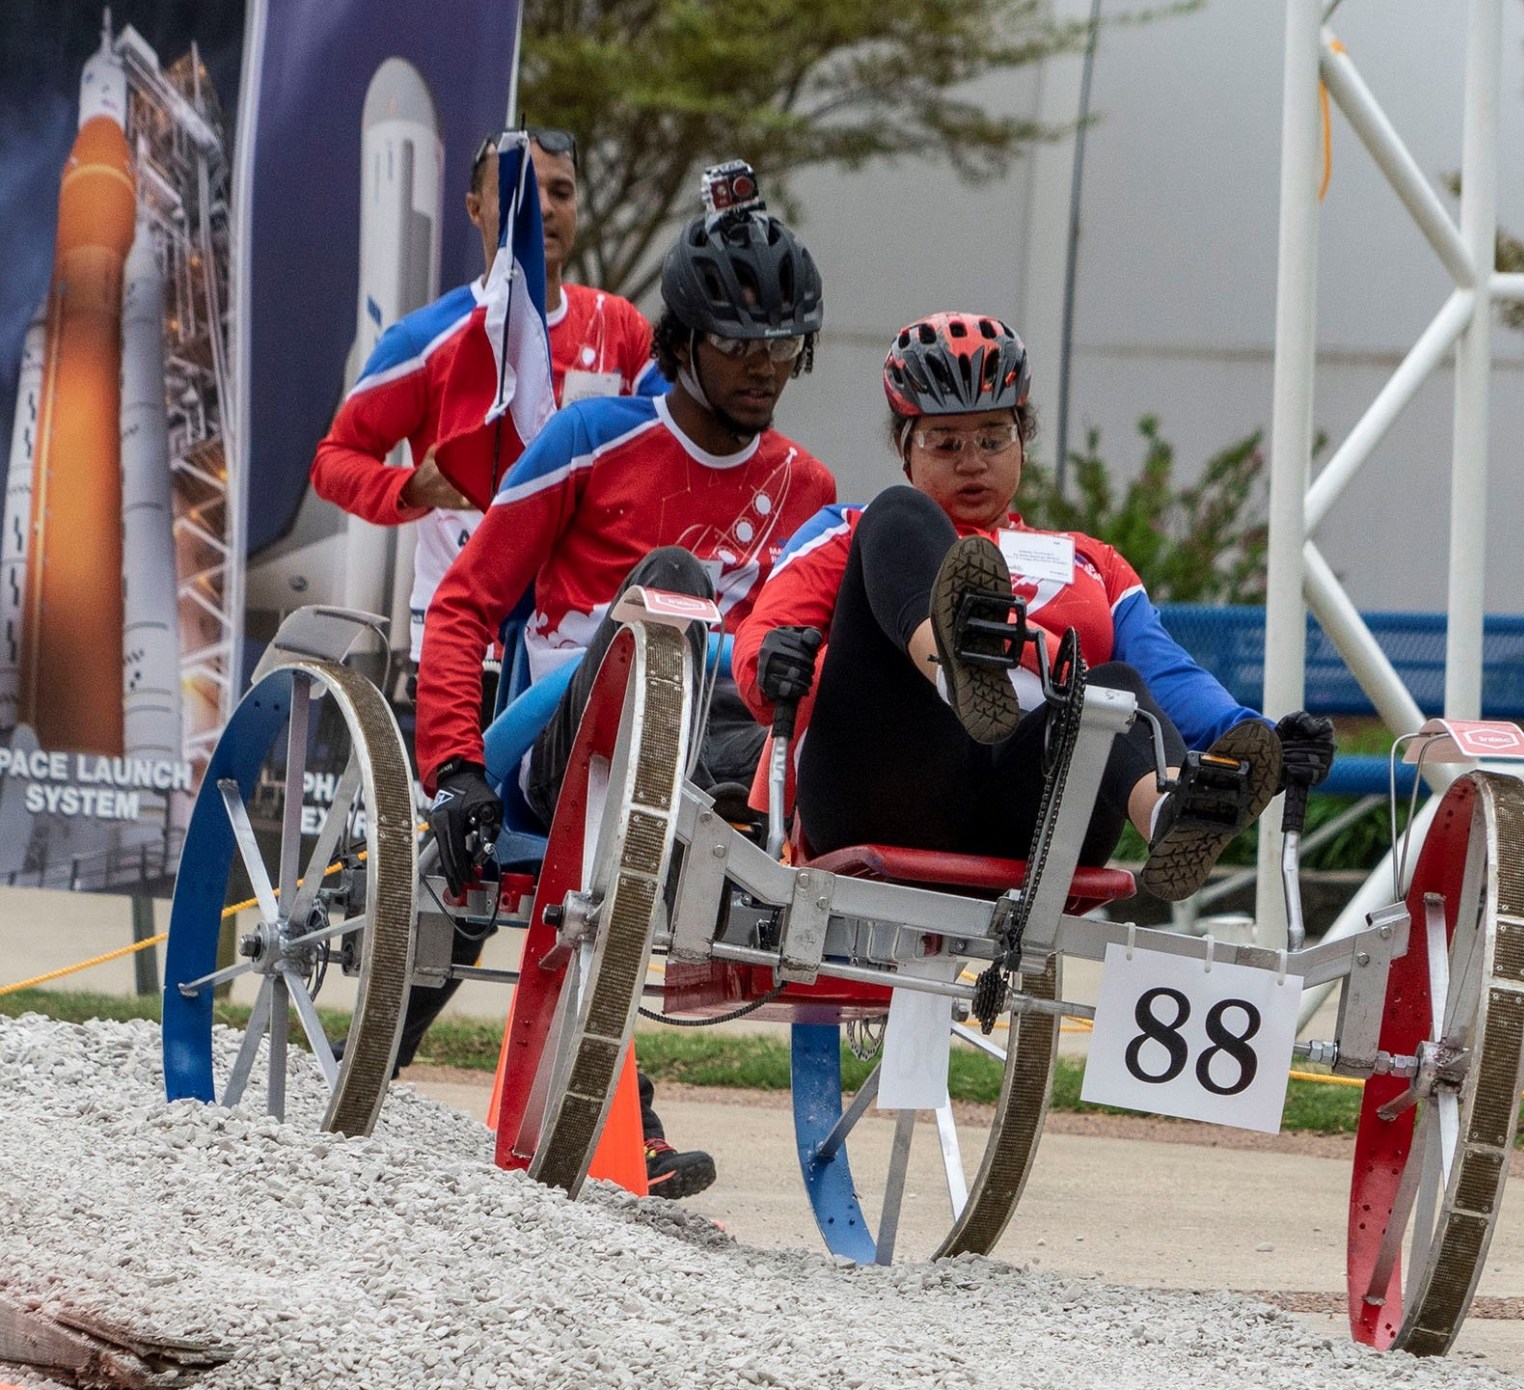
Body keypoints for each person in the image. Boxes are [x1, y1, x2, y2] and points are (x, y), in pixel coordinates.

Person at [414, 172, 834, 1198]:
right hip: (564, 747)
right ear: (681, 339)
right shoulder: (588, 441)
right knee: (672, 595)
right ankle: (382, 1075)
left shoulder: (806, 488)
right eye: (740, 344)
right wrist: (454, 768)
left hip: (721, 752)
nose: (764, 369)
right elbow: (464, 606)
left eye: (783, 347)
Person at [733, 313, 1335, 900]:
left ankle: (1173, 816)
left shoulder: (1090, 561)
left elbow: (1169, 677)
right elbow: (762, 647)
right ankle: (954, 662)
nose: (972, 461)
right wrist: (771, 662)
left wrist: (1261, 740)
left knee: (1113, 688)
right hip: (895, 784)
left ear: (1024, 442)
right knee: (898, 513)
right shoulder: (850, 529)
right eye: (946, 443)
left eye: (993, 438)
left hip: (1033, 815)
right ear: (905, 448)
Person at [310, 127, 661, 663]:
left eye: (561, 193)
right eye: (521, 192)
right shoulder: (423, 340)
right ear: (476, 209)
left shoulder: (619, 327)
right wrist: (412, 487)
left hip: (585, 633)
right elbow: (332, 463)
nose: (543, 209)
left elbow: (671, 437)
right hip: (463, 631)